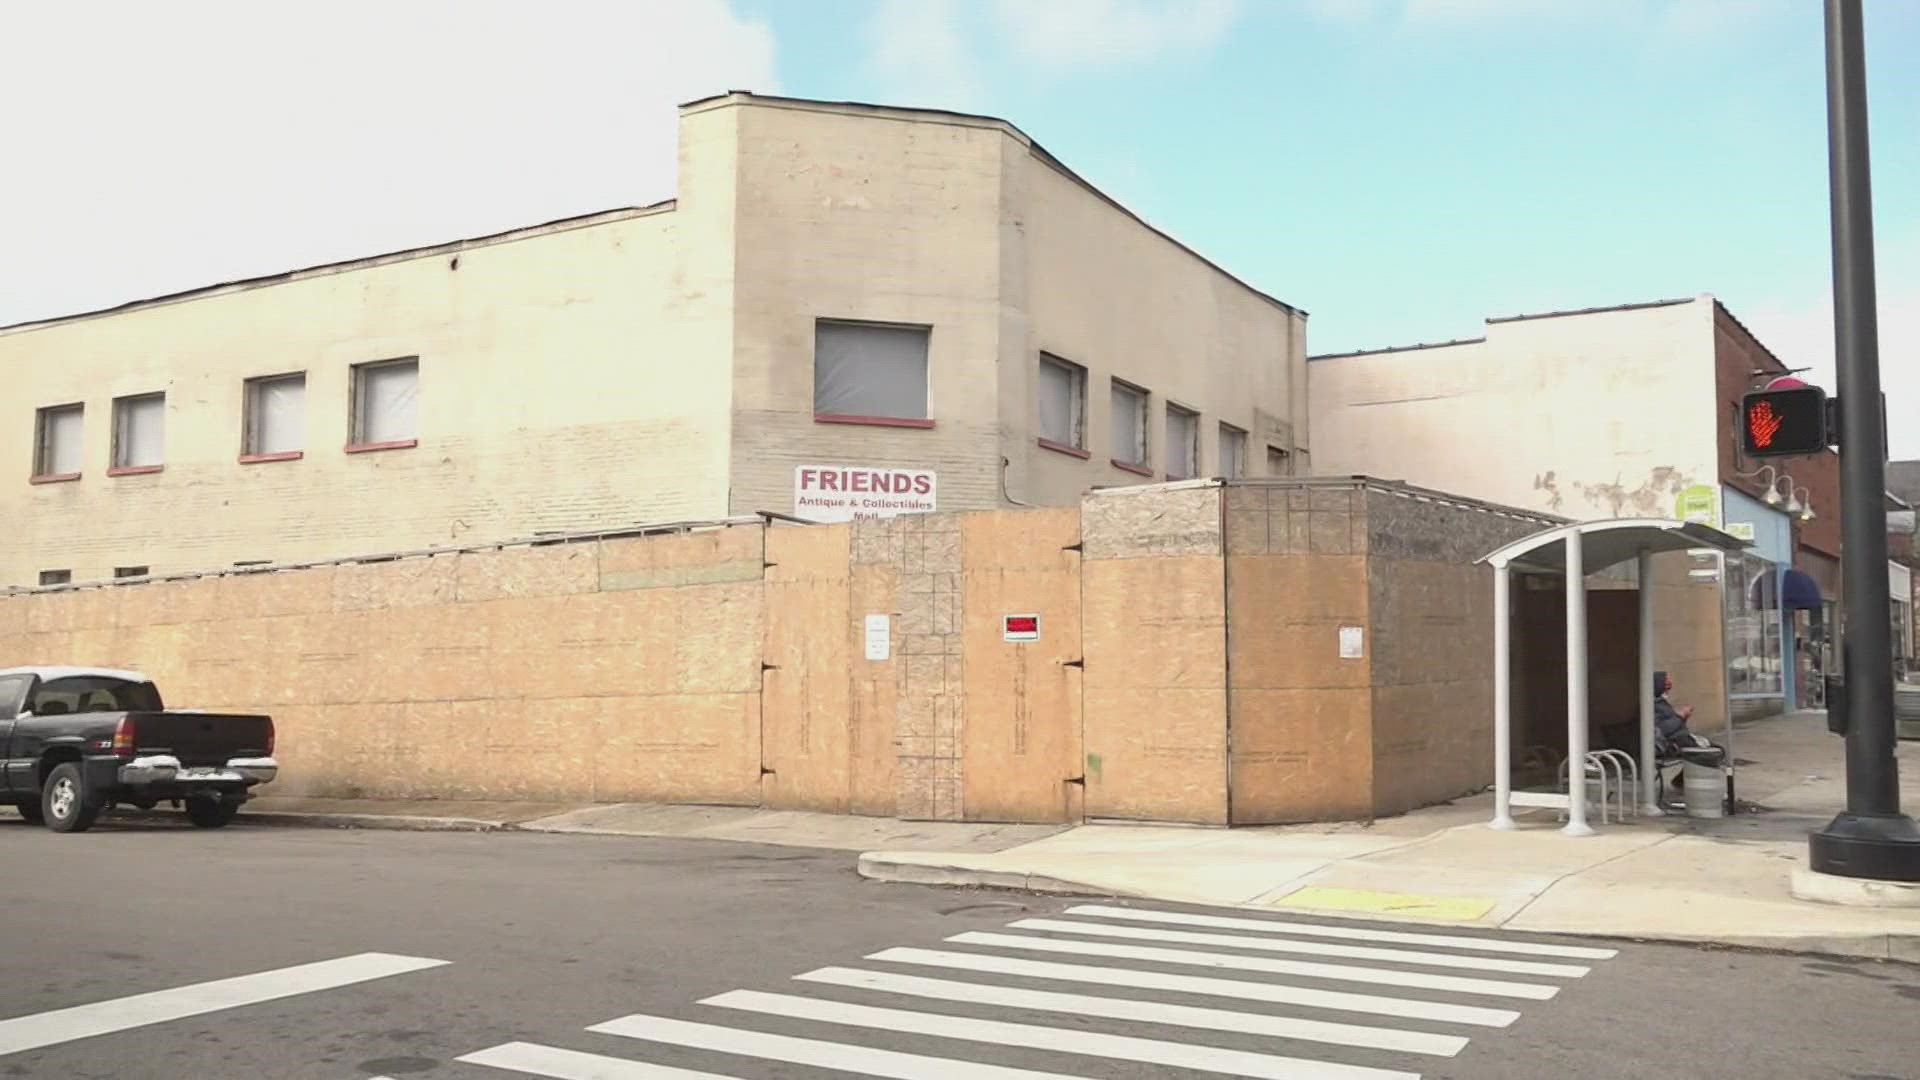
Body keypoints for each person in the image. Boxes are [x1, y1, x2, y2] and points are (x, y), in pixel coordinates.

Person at [1654, 670, 1724, 788]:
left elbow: (1674, 725)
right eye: (1665, 682)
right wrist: (1680, 716)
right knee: (1712, 753)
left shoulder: (1661, 703)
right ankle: (1691, 784)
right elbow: (1661, 729)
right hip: (1673, 743)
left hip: (1681, 738)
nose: (1669, 684)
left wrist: (1682, 717)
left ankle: (1683, 782)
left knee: (1717, 750)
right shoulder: (1653, 705)